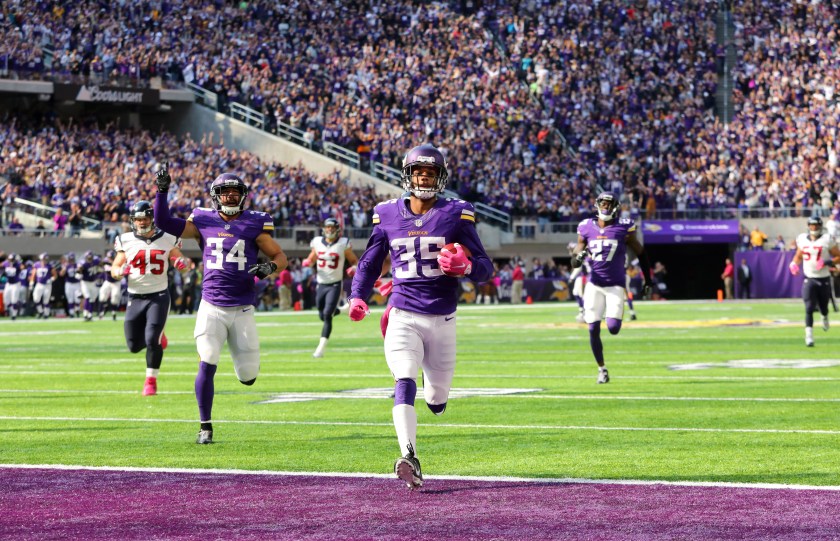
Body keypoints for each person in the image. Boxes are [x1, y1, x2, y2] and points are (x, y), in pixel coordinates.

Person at [348, 143, 493, 490]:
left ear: (440, 177)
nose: (423, 176)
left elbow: (485, 269)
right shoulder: (386, 212)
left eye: (429, 171)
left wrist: (468, 266)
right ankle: (408, 455)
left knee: (437, 399)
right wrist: (356, 295)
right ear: (407, 175)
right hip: (402, 311)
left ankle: (435, 397)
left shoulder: (457, 213)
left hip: (442, 317)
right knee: (403, 379)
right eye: (417, 171)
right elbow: (369, 262)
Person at [153, 162, 288, 444]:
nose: (229, 196)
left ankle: (244, 370)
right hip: (211, 306)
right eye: (224, 192)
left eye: (233, 192)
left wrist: (269, 268)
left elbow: (280, 256)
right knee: (208, 360)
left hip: (242, 308)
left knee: (248, 376)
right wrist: (161, 191)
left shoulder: (254, 223)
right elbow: (163, 223)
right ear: (215, 196)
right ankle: (205, 425)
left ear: (243, 195)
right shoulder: (202, 220)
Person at [571, 192, 651, 384]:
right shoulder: (585, 226)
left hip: (615, 285)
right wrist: (578, 258)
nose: (605, 207)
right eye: (603, 203)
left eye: (609, 204)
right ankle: (602, 369)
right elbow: (574, 261)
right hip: (594, 285)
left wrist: (648, 280)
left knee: (613, 328)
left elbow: (641, 253)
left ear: (615, 206)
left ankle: (611, 318)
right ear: (597, 205)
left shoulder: (624, 227)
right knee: (592, 328)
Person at [112, 200, 187, 396]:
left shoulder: (167, 238)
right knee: (133, 345)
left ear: (151, 219)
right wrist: (120, 271)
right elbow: (115, 268)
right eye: (138, 220)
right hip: (135, 297)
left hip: (159, 295)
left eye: (145, 219)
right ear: (133, 221)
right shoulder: (125, 239)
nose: (141, 223)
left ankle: (150, 381)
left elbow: (181, 260)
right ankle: (159, 339)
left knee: (152, 339)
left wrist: (182, 264)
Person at [302, 217, 359, 357]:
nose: (329, 230)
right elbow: (312, 257)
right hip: (321, 283)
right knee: (322, 315)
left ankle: (320, 349)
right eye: (327, 227)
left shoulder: (343, 243)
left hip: (334, 283)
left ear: (337, 230)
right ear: (324, 229)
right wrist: (308, 261)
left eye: (332, 227)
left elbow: (354, 261)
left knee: (327, 315)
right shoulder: (316, 242)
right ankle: (342, 310)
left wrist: (353, 268)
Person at [789, 216, 840, 347]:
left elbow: (839, 256)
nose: (814, 228)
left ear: (820, 226)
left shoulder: (827, 239)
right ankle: (809, 336)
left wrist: (827, 262)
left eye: (816, 225)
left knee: (824, 307)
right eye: (811, 225)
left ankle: (824, 316)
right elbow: (799, 255)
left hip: (823, 278)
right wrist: (794, 264)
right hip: (809, 278)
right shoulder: (802, 239)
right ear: (808, 226)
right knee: (809, 307)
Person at [31, 252, 56, 318]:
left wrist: (51, 279)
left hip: (47, 285)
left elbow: (55, 275)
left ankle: (46, 314)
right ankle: (41, 312)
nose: (45, 260)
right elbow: (33, 274)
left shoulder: (50, 266)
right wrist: (31, 282)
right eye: (43, 259)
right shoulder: (36, 265)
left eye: (46, 259)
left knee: (46, 300)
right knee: (36, 299)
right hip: (39, 284)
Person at [98, 250, 122, 320]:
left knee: (114, 298)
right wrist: (105, 263)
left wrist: (110, 264)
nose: (110, 258)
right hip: (108, 281)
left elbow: (114, 271)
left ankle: (113, 313)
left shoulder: (118, 261)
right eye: (109, 257)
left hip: (116, 282)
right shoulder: (106, 261)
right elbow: (103, 266)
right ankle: (104, 308)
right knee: (102, 296)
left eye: (111, 257)